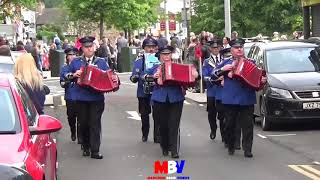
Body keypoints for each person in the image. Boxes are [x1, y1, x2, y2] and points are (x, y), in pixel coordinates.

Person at [212, 38, 267, 158]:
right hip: (230, 99)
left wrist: (262, 81)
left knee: (248, 125)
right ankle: (231, 145)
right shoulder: (225, 63)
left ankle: (248, 149)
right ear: (231, 50)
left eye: (241, 47)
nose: (239, 49)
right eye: (236, 48)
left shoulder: (251, 62)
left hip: (246, 98)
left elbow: (258, 81)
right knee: (230, 125)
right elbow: (212, 76)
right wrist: (222, 70)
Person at [64, 36, 109, 159]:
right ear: (82, 49)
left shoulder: (101, 62)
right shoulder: (76, 62)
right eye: (86, 47)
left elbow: (109, 76)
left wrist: (104, 76)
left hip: (96, 98)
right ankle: (85, 146)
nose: (89, 49)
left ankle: (95, 150)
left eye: (91, 46)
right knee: (83, 123)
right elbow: (65, 74)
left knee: (95, 123)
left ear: (94, 47)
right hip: (81, 97)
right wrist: (74, 74)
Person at [151, 46, 198, 158]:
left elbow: (191, 77)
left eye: (168, 54)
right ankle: (164, 146)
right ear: (160, 57)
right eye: (164, 55)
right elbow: (146, 77)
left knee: (174, 124)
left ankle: (174, 149)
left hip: (176, 98)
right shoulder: (155, 67)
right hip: (160, 99)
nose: (166, 57)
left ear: (171, 56)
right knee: (162, 125)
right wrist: (154, 77)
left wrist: (195, 74)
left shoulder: (178, 67)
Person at [130, 38, 161, 143]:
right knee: (144, 114)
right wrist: (135, 77)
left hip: (156, 90)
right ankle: (145, 134)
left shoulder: (159, 60)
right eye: (148, 47)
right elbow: (134, 75)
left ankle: (157, 136)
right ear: (144, 48)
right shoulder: (139, 61)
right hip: (143, 91)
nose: (151, 49)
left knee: (157, 114)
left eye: (153, 47)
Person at [202, 39, 224, 141]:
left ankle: (224, 134)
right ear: (210, 49)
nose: (216, 49)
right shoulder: (207, 61)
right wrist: (214, 79)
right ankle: (213, 129)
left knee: (222, 114)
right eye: (214, 48)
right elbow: (204, 76)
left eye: (217, 47)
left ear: (220, 48)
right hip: (211, 91)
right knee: (211, 113)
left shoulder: (224, 59)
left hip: (222, 90)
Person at [60, 47, 80, 142]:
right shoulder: (65, 68)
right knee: (71, 116)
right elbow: (62, 83)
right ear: (67, 57)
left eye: (74, 55)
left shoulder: (80, 66)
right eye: (70, 55)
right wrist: (68, 80)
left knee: (82, 117)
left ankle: (80, 135)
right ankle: (73, 131)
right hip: (70, 96)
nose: (72, 57)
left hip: (80, 95)